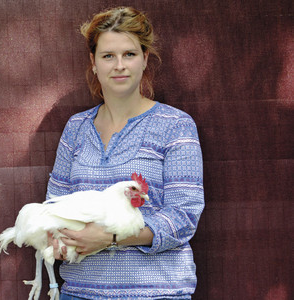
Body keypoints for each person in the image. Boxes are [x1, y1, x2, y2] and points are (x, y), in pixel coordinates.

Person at [46, 6, 204, 300]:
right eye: (108, 56)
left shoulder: (176, 125)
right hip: (81, 292)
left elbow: (184, 217)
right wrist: (56, 237)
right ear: (93, 62)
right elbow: (54, 203)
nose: (119, 65)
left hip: (156, 292)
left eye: (129, 54)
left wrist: (109, 239)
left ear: (145, 59)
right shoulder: (76, 128)